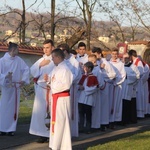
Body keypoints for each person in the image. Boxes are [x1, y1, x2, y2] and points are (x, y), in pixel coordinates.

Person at [44, 48, 73, 150]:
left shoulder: (65, 69)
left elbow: (66, 85)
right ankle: (55, 144)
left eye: (53, 58)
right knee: (56, 122)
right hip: (56, 97)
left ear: (58, 57)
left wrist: (52, 85)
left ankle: (62, 146)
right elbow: (53, 81)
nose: (52, 60)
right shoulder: (56, 68)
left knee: (61, 122)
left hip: (62, 99)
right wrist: (48, 81)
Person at [0, 42, 30, 136]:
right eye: (18, 49)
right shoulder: (2, 61)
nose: (19, 51)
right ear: (13, 50)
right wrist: (6, 77)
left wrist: (24, 80)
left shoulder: (19, 60)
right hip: (6, 88)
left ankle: (11, 129)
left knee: (13, 109)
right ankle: (2, 128)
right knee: (4, 108)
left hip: (15, 88)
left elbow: (26, 69)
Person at [29, 39, 55, 143]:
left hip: (52, 89)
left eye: (47, 47)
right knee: (41, 112)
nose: (45, 50)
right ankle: (41, 134)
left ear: (52, 48)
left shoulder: (56, 59)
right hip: (41, 90)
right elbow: (32, 71)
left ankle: (52, 134)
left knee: (51, 111)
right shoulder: (41, 60)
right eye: (44, 48)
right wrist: (40, 65)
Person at [57, 43, 81, 137]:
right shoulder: (60, 61)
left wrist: (67, 80)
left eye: (61, 51)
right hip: (60, 88)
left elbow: (77, 75)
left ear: (65, 51)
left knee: (70, 109)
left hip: (71, 88)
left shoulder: (74, 62)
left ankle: (71, 131)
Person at [91, 47, 116, 131]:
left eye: (95, 54)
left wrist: (104, 77)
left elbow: (113, 74)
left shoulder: (105, 62)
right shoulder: (96, 62)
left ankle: (104, 122)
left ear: (98, 54)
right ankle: (97, 123)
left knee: (104, 105)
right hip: (97, 86)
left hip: (104, 86)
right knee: (97, 106)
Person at [78, 61, 99, 134]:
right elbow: (79, 84)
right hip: (81, 98)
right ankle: (81, 127)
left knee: (88, 114)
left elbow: (95, 87)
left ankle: (88, 128)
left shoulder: (93, 77)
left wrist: (85, 88)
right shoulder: (83, 76)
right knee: (81, 113)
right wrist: (79, 87)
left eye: (85, 67)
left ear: (89, 68)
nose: (84, 68)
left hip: (88, 98)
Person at [109, 48, 126, 128]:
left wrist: (116, 81)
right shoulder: (108, 63)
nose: (114, 55)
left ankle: (115, 120)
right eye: (113, 54)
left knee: (117, 103)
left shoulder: (121, 64)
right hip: (110, 85)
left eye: (116, 54)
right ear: (111, 54)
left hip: (117, 86)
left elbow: (123, 75)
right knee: (109, 103)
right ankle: (109, 120)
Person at [121, 53, 140, 125]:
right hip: (121, 86)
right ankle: (121, 120)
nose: (125, 59)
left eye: (127, 58)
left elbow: (137, 76)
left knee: (127, 103)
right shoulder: (121, 66)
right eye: (124, 58)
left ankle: (127, 120)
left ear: (129, 58)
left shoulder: (133, 66)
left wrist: (127, 77)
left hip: (129, 87)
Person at [128, 50, 144, 118]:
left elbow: (141, 72)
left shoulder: (138, 62)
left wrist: (135, 76)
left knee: (138, 97)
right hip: (134, 82)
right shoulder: (133, 62)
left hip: (138, 82)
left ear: (131, 55)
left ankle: (139, 114)